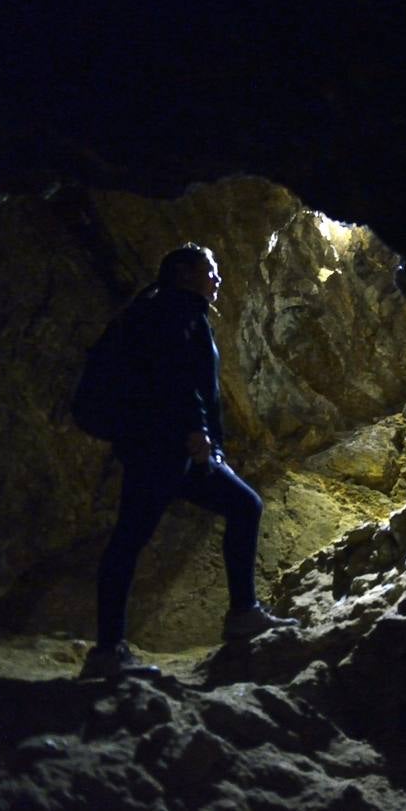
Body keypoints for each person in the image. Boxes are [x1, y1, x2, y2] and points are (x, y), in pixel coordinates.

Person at [81, 243, 297, 678]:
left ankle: (242, 613)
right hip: (163, 450)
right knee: (129, 539)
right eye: (210, 269)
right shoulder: (173, 311)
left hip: (167, 449)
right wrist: (195, 432)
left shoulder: (169, 308)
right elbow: (175, 378)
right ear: (183, 273)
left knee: (242, 505)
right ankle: (108, 653)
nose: (217, 278)